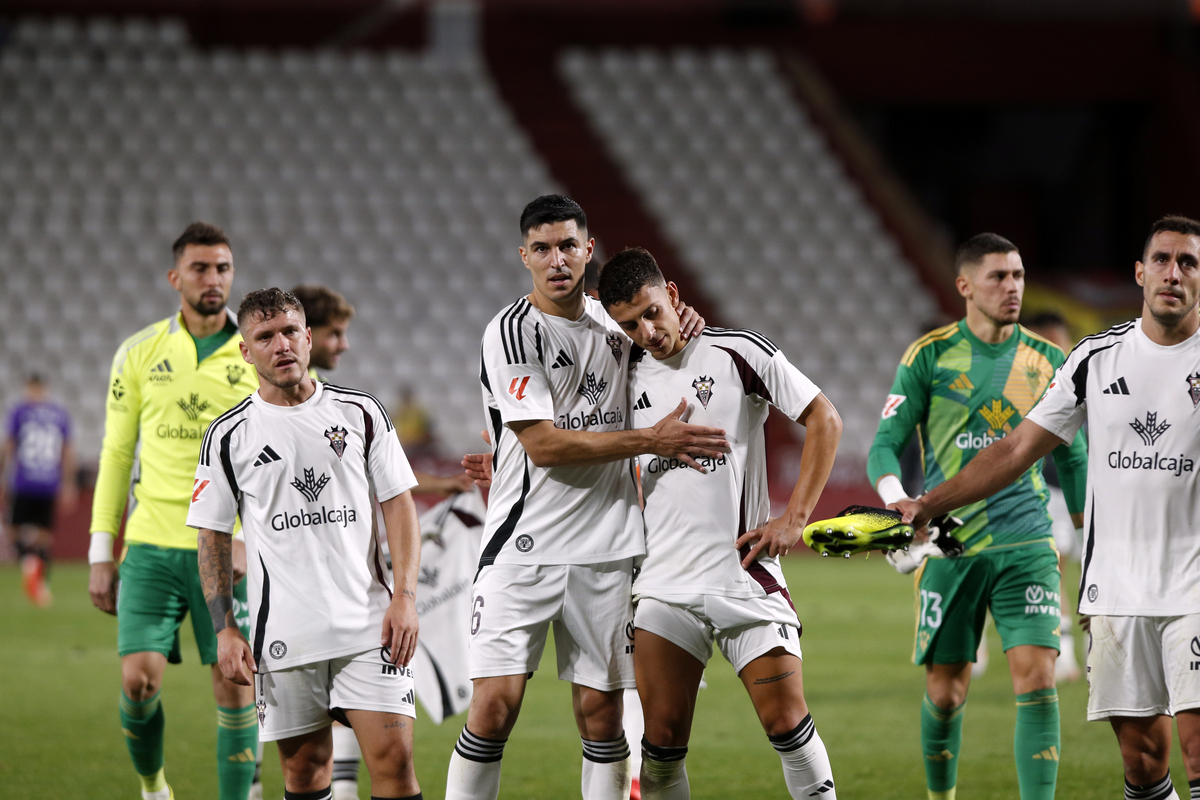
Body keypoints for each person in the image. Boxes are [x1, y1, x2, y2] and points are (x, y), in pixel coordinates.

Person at [897, 215, 1200, 800]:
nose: (1173, 273)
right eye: (1162, 260)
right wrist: (929, 504)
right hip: (1117, 592)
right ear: (1140, 273)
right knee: (1141, 760)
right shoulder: (1094, 358)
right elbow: (1015, 448)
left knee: (1196, 747)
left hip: (1195, 584)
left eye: (1188, 262)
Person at [444, 194, 727, 800]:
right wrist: (649, 439)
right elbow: (544, 446)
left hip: (607, 549)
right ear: (524, 257)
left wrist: (685, 322)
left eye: (568, 245)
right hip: (525, 544)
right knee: (493, 708)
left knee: (601, 716)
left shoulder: (615, 324)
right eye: (542, 249)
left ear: (588, 249)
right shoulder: (513, 331)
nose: (557, 260)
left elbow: (667, 342)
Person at [599, 247, 843, 799]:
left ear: (675, 296)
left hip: (744, 576)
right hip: (664, 587)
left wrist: (795, 519)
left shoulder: (737, 352)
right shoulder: (620, 372)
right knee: (659, 744)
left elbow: (824, 417)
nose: (647, 331)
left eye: (653, 311)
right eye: (629, 324)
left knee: (788, 725)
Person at [866, 232, 1087, 800]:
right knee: (946, 694)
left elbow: (1074, 454)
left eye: (1017, 275)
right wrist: (897, 500)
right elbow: (883, 446)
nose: (1012, 287)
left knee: (1038, 684)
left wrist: (1092, 533)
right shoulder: (930, 356)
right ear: (965, 285)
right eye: (998, 277)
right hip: (951, 545)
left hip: (1027, 540)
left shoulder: (1049, 359)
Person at [189, 288, 424, 800]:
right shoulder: (228, 436)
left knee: (396, 764)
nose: (281, 345)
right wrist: (224, 629)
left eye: (290, 331)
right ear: (246, 352)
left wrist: (405, 596)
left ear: (308, 336)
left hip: (370, 627)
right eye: (264, 337)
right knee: (303, 776)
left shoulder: (362, 412)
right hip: (285, 637)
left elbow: (399, 505)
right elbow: (211, 537)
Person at [88, 222, 261, 800]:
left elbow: (288, 452)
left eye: (223, 269)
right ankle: (153, 787)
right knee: (138, 682)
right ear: (175, 277)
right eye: (201, 268)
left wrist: (252, 541)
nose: (213, 279)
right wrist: (99, 550)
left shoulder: (259, 350)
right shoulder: (138, 353)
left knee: (236, 685)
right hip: (152, 544)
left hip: (227, 546)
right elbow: (116, 454)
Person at [291, 283, 470, 799]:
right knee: (302, 736)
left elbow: (374, 478)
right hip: (299, 581)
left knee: (354, 713)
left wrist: (434, 486)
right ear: (311, 334)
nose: (343, 344)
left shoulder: (338, 403)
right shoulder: (285, 401)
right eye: (336, 333)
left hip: (346, 583)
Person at [1021, 310, 1084, 683]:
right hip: (1050, 491)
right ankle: (1066, 656)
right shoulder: (1028, 384)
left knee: (1092, 570)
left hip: (1093, 490)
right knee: (1055, 564)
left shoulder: (1093, 377)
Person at [0, 374, 75, 606]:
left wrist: (3, 474)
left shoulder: (19, 412)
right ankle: (41, 585)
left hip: (23, 481)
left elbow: (9, 446)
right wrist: (68, 483)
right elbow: (68, 451)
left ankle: (30, 565)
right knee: (44, 537)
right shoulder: (59, 414)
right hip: (49, 482)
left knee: (12, 532)